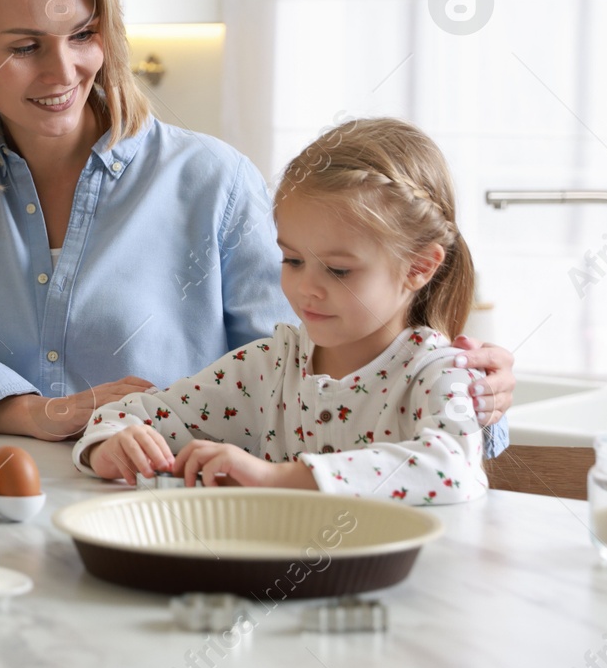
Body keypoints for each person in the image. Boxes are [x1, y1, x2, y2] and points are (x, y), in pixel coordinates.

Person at [0, 0, 515, 450]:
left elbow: (312, 381)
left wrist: (460, 387)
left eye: (84, 33)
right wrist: (27, 410)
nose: (63, 72)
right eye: (25, 47)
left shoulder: (214, 184)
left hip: (164, 519)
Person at [75, 118, 490, 504]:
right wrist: (108, 447)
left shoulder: (438, 373)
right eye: (292, 260)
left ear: (419, 267)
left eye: (339, 270)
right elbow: (131, 412)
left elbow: (453, 467)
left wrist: (277, 478)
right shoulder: (269, 367)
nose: (306, 287)